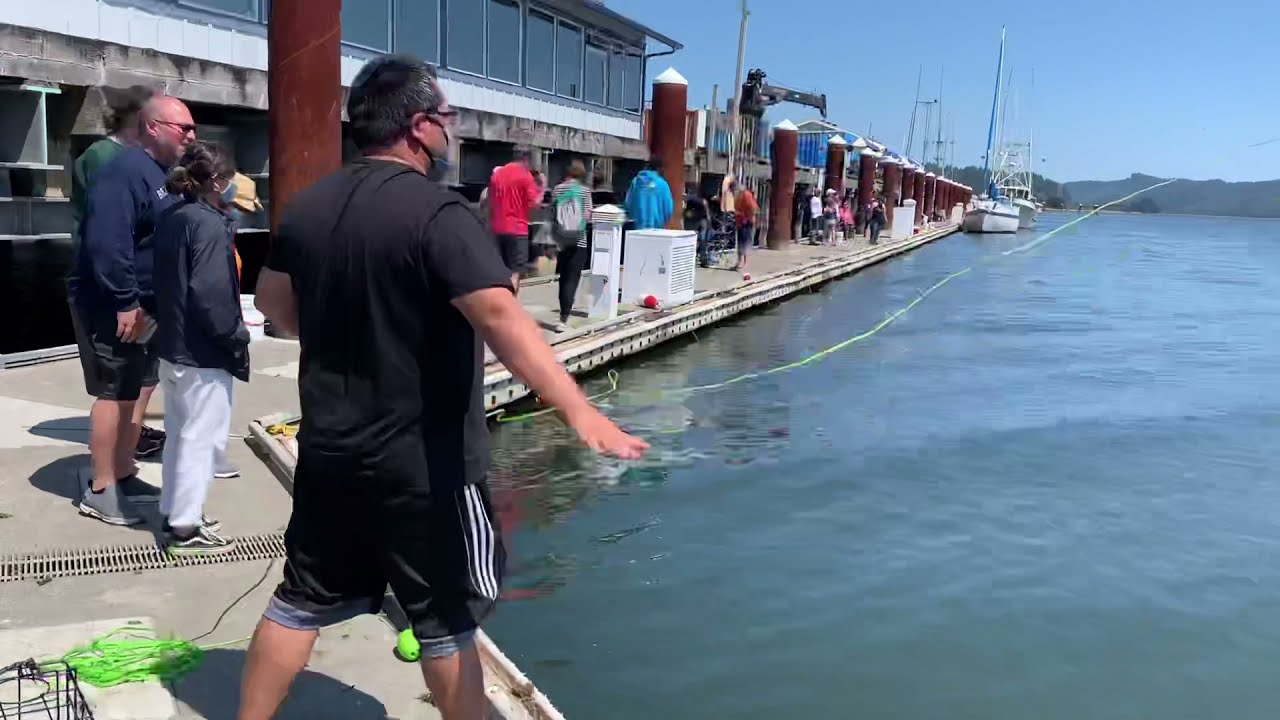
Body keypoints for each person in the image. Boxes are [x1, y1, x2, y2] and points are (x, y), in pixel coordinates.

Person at [244, 54, 648, 720]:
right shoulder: (440, 213)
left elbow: (276, 310)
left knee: (298, 602)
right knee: (443, 622)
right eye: (448, 120)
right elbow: (500, 317)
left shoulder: (308, 207)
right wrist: (580, 411)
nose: (452, 133)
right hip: (423, 466)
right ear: (420, 127)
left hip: (330, 452)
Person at [69, 95, 196, 527]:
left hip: (151, 306)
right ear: (154, 127)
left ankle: (124, 470)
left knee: (140, 386)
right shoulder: (122, 173)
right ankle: (102, 488)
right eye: (185, 128)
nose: (192, 136)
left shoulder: (164, 175)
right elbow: (108, 243)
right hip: (116, 306)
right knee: (116, 391)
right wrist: (125, 301)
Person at [152, 141, 249, 554]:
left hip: (172, 347)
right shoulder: (208, 224)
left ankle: (175, 509)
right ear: (220, 182)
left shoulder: (173, 216)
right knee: (200, 439)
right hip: (203, 353)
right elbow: (209, 293)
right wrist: (236, 336)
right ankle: (185, 528)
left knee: (179, 435)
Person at [68, 84, 169, 461]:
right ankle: (111, 467)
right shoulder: (104, 159)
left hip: (146, 290)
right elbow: (111, 233)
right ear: (138, 118)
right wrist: (124, 297)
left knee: (144, 375)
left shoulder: (140, 161)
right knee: (115, 384)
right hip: (107, 285)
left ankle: (132, 437)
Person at [487, 147, 543, 293]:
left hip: (497, 229)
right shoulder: (526, 176)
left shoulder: (497, 175)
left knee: (499, 271)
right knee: (515, 273)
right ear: (526, 159)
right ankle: (511, 305)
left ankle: (498, 304)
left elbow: (490, 203)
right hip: (518, 230)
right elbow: (534, 203)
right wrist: (542, 188)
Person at [551, 160, 593, 333]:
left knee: (563, 278)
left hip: (562, 239)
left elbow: (552, 214)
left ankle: (562, 314)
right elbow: (589, 215)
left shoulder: (557, 189)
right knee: (572, 279)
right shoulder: (584, 191)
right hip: (579, 240)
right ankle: (564, 318)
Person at [624, 157, 673, 230]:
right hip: (657, 229)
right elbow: (668, 208)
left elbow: (628, 204)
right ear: (660, 168)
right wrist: (662, 221)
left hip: (637, 229)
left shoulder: (636, 182)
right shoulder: (662, 184)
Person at [683, 186, 711, 267]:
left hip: (693, 221)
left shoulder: (689, 200)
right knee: (703, 241)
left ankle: (689, 260)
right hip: (702, 220)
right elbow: (707, 213)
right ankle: (703, 260)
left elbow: (687, 212)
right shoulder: (703, 201)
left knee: (690, 240)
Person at [733, 182, 758, 272]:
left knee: (745, 242)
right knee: (740, 242)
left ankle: (744, 262)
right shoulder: (738, 196)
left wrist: (746, 217)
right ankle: (739, 261)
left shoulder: (746, 195)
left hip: (746, 222)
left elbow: (753, 208)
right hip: (740, 222)